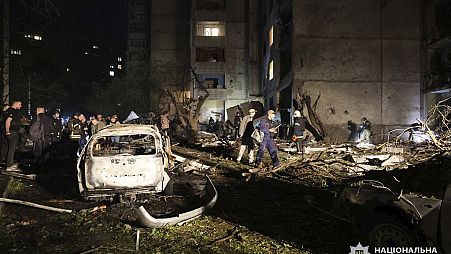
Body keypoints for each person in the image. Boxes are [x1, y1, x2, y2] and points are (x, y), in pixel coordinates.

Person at [3, 101, 22, 171]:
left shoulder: (12, 111)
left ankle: (10, 163)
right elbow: (8, 121)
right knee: (11, 148)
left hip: (13, 132)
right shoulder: (12, 111)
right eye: (19, 104)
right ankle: (9, 166)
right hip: (12, 132)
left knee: (12, 148)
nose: (21, 106)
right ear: (15, 104)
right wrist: (7, 132)